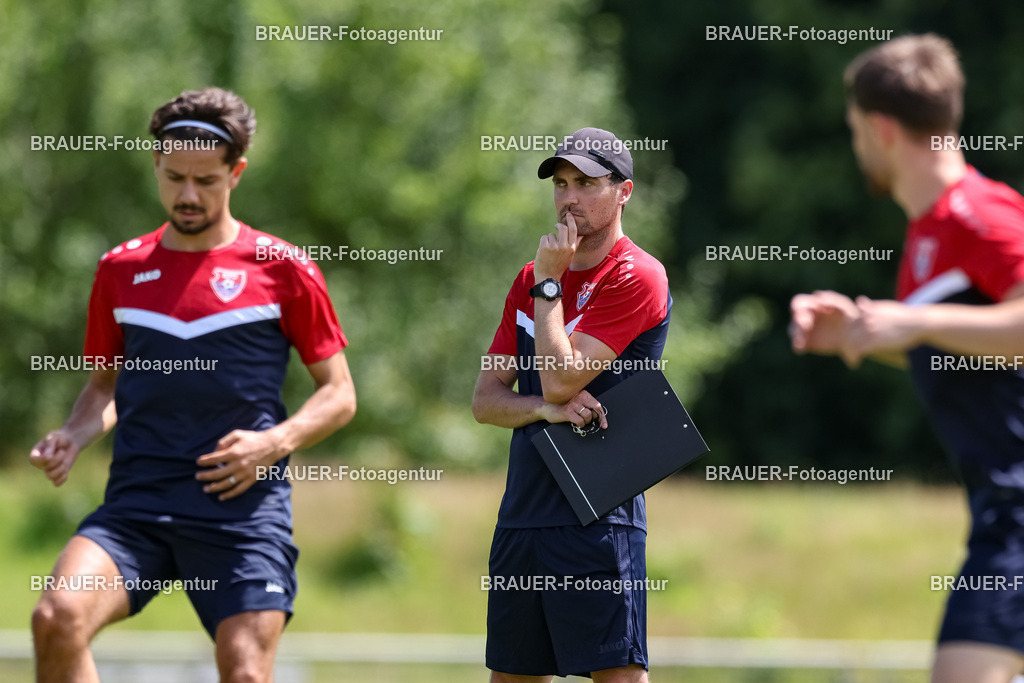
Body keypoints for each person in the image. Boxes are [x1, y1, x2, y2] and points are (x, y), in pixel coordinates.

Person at [29, 87, 357, 683]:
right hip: (138, 505)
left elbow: (339, 393)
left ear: (236, 173)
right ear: (156, 163)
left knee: (246, 671)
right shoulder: (120, 269)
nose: (187, 195)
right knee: (57, 617)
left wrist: (274, 443)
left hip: (242, 513)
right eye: (174, 177)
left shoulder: (283, 267)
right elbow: (104, 387)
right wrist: (72, 436)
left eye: (205, 180)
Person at [790, 34, 1024, 683]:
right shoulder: (928, 232)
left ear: (883, 129)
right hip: (1002, 511)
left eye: (855, 130)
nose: (857, 146)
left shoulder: (978, 215)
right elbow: (982, 353)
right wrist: (865, 335)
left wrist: (914, 320)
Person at [472, 127, 670, 682]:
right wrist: (541, 410)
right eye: (560, 184)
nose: (568, 198)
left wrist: (550, 286)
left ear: (624, 192)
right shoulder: (530, 279)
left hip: (599, 517)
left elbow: (561, 378)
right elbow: (486, 400)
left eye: (585, 183)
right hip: (522, 516)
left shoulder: (636, 274)